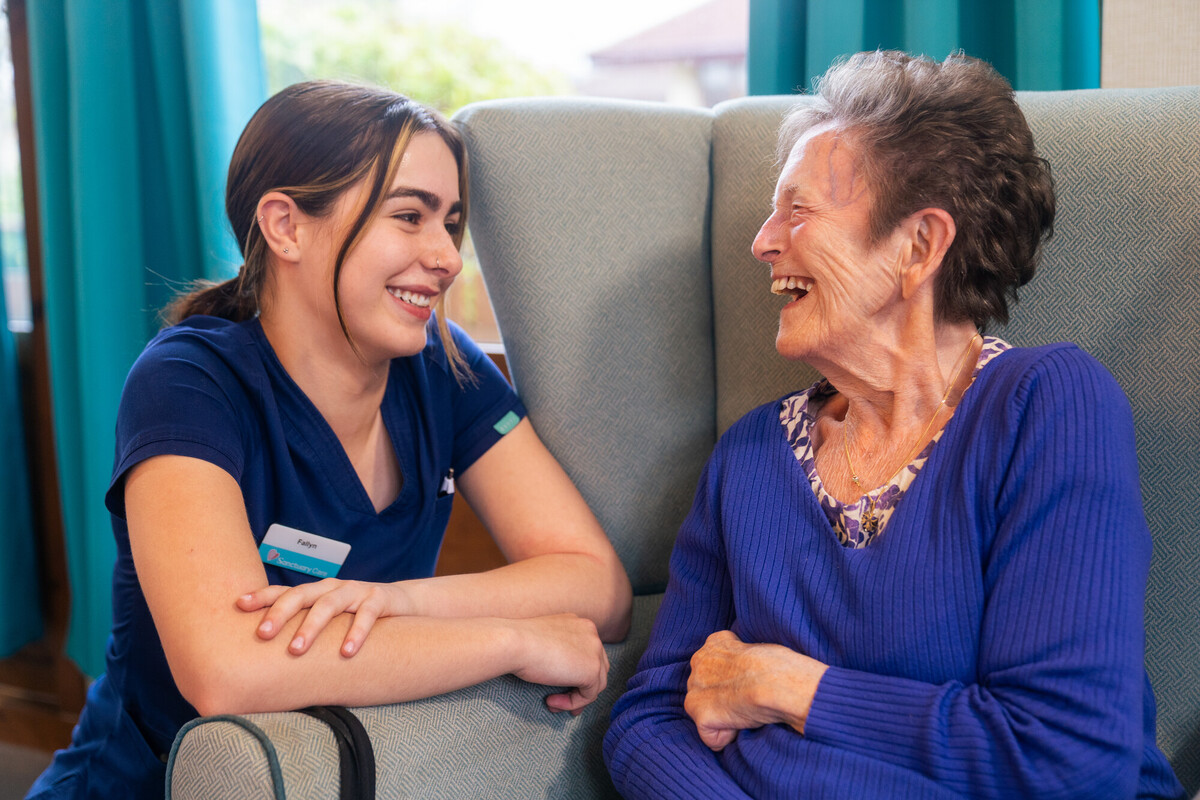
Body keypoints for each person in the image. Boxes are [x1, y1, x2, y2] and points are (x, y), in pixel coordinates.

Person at [604, 51, 1184, 799]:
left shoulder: (1045, 408)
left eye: (799, 210)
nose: (763, 241)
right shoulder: (749, 456)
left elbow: (1071, 756)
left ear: (918, 247)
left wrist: (794, 688)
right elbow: (652, 716)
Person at [29, 80, 632, 800]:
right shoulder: (191, 379)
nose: (445, 257)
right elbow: (227, 668)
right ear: (285, 226)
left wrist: (403, 603)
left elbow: (598, 586)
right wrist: (514, 637)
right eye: (409, 216)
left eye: (450, 222)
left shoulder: (445, 367)